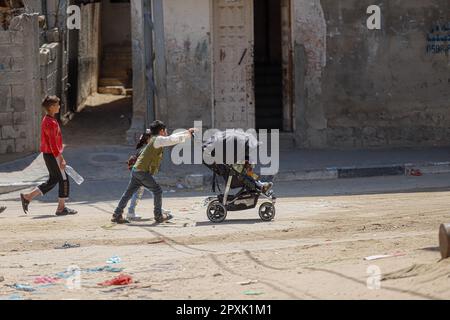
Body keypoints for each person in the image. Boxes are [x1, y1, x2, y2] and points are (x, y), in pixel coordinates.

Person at [112, 120, 195, 224]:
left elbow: (170, 138)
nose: (166, 132)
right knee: (157, 191)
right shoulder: (158, 139)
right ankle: (158, 216)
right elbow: (171, 139)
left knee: (128, 194)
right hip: (142, 172)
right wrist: (187, 134)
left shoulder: (155, 139)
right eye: (165, 130)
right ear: (161, 131)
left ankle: (117, 214)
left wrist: (187, 132)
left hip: (136, 170)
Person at [20, 96, 77, 216]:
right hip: (52, 155)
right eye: (57, 104)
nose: (59, 106)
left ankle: (27, 197)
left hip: (49, 154)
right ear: (51, 107)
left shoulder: (49, 119)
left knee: (54, 179)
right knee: (64, 179)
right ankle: (61, 208)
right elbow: (52, 144)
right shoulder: (50, 122)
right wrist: (61, 158)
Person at [126, 129, 151, 221]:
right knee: (155, 191)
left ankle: (130, 212)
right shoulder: (146, 149)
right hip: (141, 173)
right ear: (148, 139)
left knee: (136, 193)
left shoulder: (145, 148)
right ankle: (159, 210)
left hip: (138, 173)